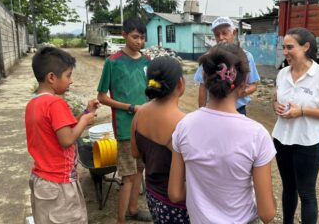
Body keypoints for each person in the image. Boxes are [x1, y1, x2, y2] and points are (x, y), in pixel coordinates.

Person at [169, 43, 277, 224]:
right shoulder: (257, 135)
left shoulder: (184, 126)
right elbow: (267, 214)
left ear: (204, 77)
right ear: (244, 84)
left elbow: (175, 193)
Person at [272, 27, 319, 224]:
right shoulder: (283, 73)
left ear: (306, 47)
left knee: (307, 193)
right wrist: (276, 106)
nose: (285, 52)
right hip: (281, 139)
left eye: (289, 47)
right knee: (288, 187)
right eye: (283, 47)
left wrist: (302, 111)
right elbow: (276, 98)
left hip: (308, 143)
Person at [25, 47, 99, 223]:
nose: (71, 81)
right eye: (68, 75)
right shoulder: (55, 103)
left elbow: (62, 128)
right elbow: (66, 139)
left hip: (42, 181)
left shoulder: (33, 103)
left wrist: (85, 112)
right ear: (52, 77)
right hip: (59, 185)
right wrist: (85, 120)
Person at [97, 16, 152, 223]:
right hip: (125, 128)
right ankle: (120, 219)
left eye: (142, 38)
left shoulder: (148, 62)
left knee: (140, 170)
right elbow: (102, 97)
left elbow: (153, 91)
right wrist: (130, 107)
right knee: (127, 176)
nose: (139, 41)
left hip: (145, 128)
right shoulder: (112, 63)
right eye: (135, 37)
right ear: (124, 35)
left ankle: (133, 210)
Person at [130, 56, 190, 224]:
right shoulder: (183, 124)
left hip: (153, 196)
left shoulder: (139, 113)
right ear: (180, 83)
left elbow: (135, 153)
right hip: (178, 204)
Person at [194, 16, 260, 115]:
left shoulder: (246, 57)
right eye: (217, 35)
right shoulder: (208, 57)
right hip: (213, 109)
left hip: (238, 110)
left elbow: (254, 84)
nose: (221, 38)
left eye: (224, 33)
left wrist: (237, 93)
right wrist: (201, 113)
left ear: (234, 33)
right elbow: (202, 87)